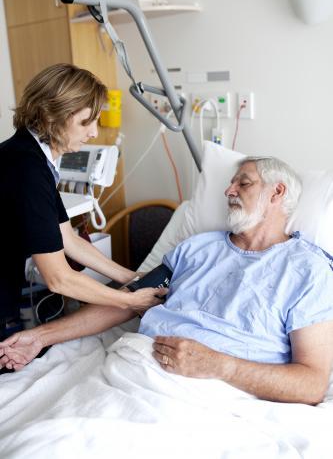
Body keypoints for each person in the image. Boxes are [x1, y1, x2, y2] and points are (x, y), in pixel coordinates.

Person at [1, 156, 333, 405]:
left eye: (243, 183)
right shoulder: (197, 248)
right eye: (231, 182)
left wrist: (221, 366)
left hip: (209, 395)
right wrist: (40, 336)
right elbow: (127, 301)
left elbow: (312, 382)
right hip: (131, 370)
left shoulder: (308, 270)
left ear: (277, 192)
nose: (228, 190)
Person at [0, 63, 165, 345]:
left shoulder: (33, 158)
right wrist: (129, 301)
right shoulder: (27, 169)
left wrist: (132, 277)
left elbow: (69, 241)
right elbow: (59, 279)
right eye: (86, 122)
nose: (93, 133)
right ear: (53, 116)